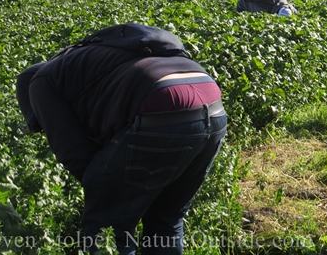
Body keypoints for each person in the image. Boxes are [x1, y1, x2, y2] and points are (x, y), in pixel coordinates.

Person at [16, 23, 227, 255]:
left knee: (108, 226)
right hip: (212, 103)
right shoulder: (93, 57)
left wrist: (105, 188)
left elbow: (76, 155)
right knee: (165, 218)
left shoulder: (40, 82)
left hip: (160, 103)